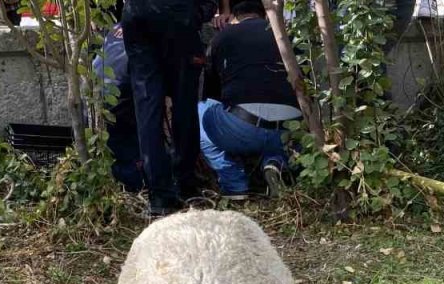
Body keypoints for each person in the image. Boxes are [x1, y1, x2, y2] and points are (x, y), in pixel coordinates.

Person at [198, 0, 300, 200]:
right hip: (290, 130)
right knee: (282, 133)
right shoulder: (288, 35)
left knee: (202, 112)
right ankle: (275, 162)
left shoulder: (223, 36)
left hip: (244, 129)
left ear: (235, 18)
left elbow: (211, 93)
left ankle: (234, 185)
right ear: (264, 15)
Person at [121, 0, 215, 216]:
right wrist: (200, 12)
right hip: (178, 14)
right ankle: (184, 183)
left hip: (137, 13)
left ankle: (160, 195)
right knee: (184, 104)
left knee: (147, 107)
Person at [93, 25, 145, 192]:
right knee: (129, 150)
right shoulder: (152, 26)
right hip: (119, 95)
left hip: (95, 91)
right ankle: (134, 188)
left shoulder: (119, 25)